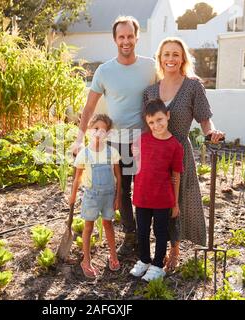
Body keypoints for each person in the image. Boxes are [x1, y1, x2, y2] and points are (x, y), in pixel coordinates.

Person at [71, 16, 157, 255]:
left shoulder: (151, 67)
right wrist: (79, 139)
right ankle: (131, 235)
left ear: (137, 38)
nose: (126, 41)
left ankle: (147, 235)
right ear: (115, 39)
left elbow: (167, 91)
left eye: (130, 36)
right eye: (121, 37)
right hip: (116, 143)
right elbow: (88, 108)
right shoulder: (104, 71)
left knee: (146, 190)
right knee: (122, 191)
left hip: (144, 140)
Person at [142, 37, 225, 271]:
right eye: (166, 54)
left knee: (178, 201)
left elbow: (205, 120)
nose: (171, 58)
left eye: (175, 54)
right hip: (156, 156)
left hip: (179, 152)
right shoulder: (149, 91)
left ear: (182, 58)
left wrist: (212, 132)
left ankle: (175, 249)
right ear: (160, 58)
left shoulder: (192, 86)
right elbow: (145, 125)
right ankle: (155, 249)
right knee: (158, 203)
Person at [129, 99, 184, 281]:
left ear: (167, 116)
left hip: (162, 198)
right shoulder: (141, 140)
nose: (156, 125)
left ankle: (158, 265)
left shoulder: (175, 146)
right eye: (151, 122)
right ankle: (144, 260)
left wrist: (175, 203)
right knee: (142, 231)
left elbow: (176, 176)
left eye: (159, 119)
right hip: (142, 196)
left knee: (160, 232)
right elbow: (137, 166)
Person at [69, 114, 122, 279]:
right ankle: (86, 260)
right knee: (88, 227)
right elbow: (77, 177)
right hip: (91, 196)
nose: (99, 133)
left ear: (108, 134)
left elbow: (118, 177)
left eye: (104, 130)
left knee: (108, 225)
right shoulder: (84, 154)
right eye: (96, 129)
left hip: (108, 195)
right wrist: (72, 196)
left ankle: (113, 255)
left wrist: (118, 197)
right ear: (89, 130)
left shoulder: (111, 152)